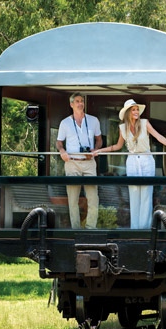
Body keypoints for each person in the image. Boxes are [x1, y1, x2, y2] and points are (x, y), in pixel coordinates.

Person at [94, 99, 166, 229]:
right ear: (127, 113)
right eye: (133, 109)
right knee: (134, 193)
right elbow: (117, 146)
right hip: (132, 161)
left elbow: (159, 137)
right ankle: (135, 228)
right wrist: (99, 151)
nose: (136, 112)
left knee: (146, 194)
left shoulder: (144, 123)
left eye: (137, 109)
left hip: (146, 159)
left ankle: (145, 228)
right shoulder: (122, 128)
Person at [56, 92, 102, 229]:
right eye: (77, 101)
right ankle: (75, 230)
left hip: (89, 163)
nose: (80, 103)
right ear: (71, 104)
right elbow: (59, 142)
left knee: (93, 198)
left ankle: (91, 229)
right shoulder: (64, 123)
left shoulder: (94, 120)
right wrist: (62, 151)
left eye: (82, 101)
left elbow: (99, 140)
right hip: (72, 163)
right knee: (73, 200)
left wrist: (96, 150)